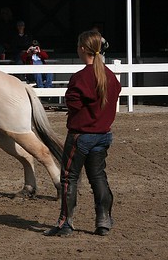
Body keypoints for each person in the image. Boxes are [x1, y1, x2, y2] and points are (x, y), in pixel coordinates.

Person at [44, 30, 121, 237]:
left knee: (69, 178)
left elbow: (73, 103)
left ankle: (65, 224)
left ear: (83, 49)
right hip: (103, 134)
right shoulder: (110, 77)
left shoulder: (80, 78)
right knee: (98, 177)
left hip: (81, 135)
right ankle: (103, 220)